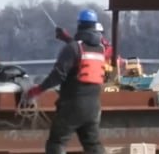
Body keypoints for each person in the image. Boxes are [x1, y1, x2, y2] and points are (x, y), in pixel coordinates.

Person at [23, 9, 107, 154]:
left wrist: (37, 90)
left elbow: (58, 75)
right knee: (93, 144)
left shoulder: (73, 48)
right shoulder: (100, 50)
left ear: (79, 24)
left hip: (72, 105)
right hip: (93, 107)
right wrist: (67, 38)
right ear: (95, 25)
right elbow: (80, 49)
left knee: (56, 143)